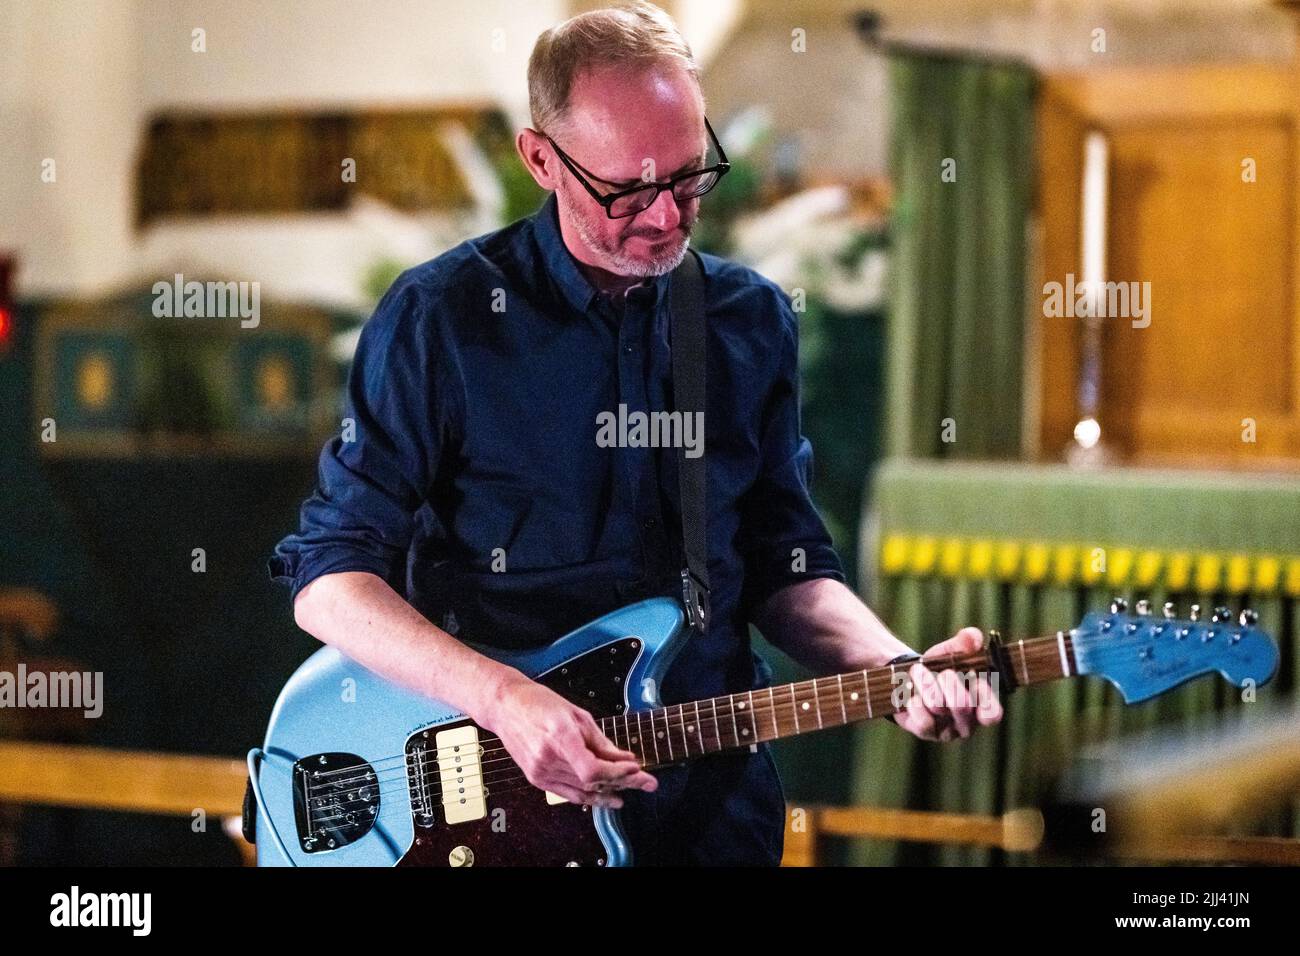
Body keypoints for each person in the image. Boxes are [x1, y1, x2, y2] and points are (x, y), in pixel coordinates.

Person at [270, 1, 1002, 866]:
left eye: (691, 179)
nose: (665, 219)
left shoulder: (747, 320)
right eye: (627, 190)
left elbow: (785, 565)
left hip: (710, 810)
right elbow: (328, 579)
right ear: (540, 159)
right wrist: (502, 697)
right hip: (490, 813)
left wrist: (896, 666)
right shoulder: (443, 319)